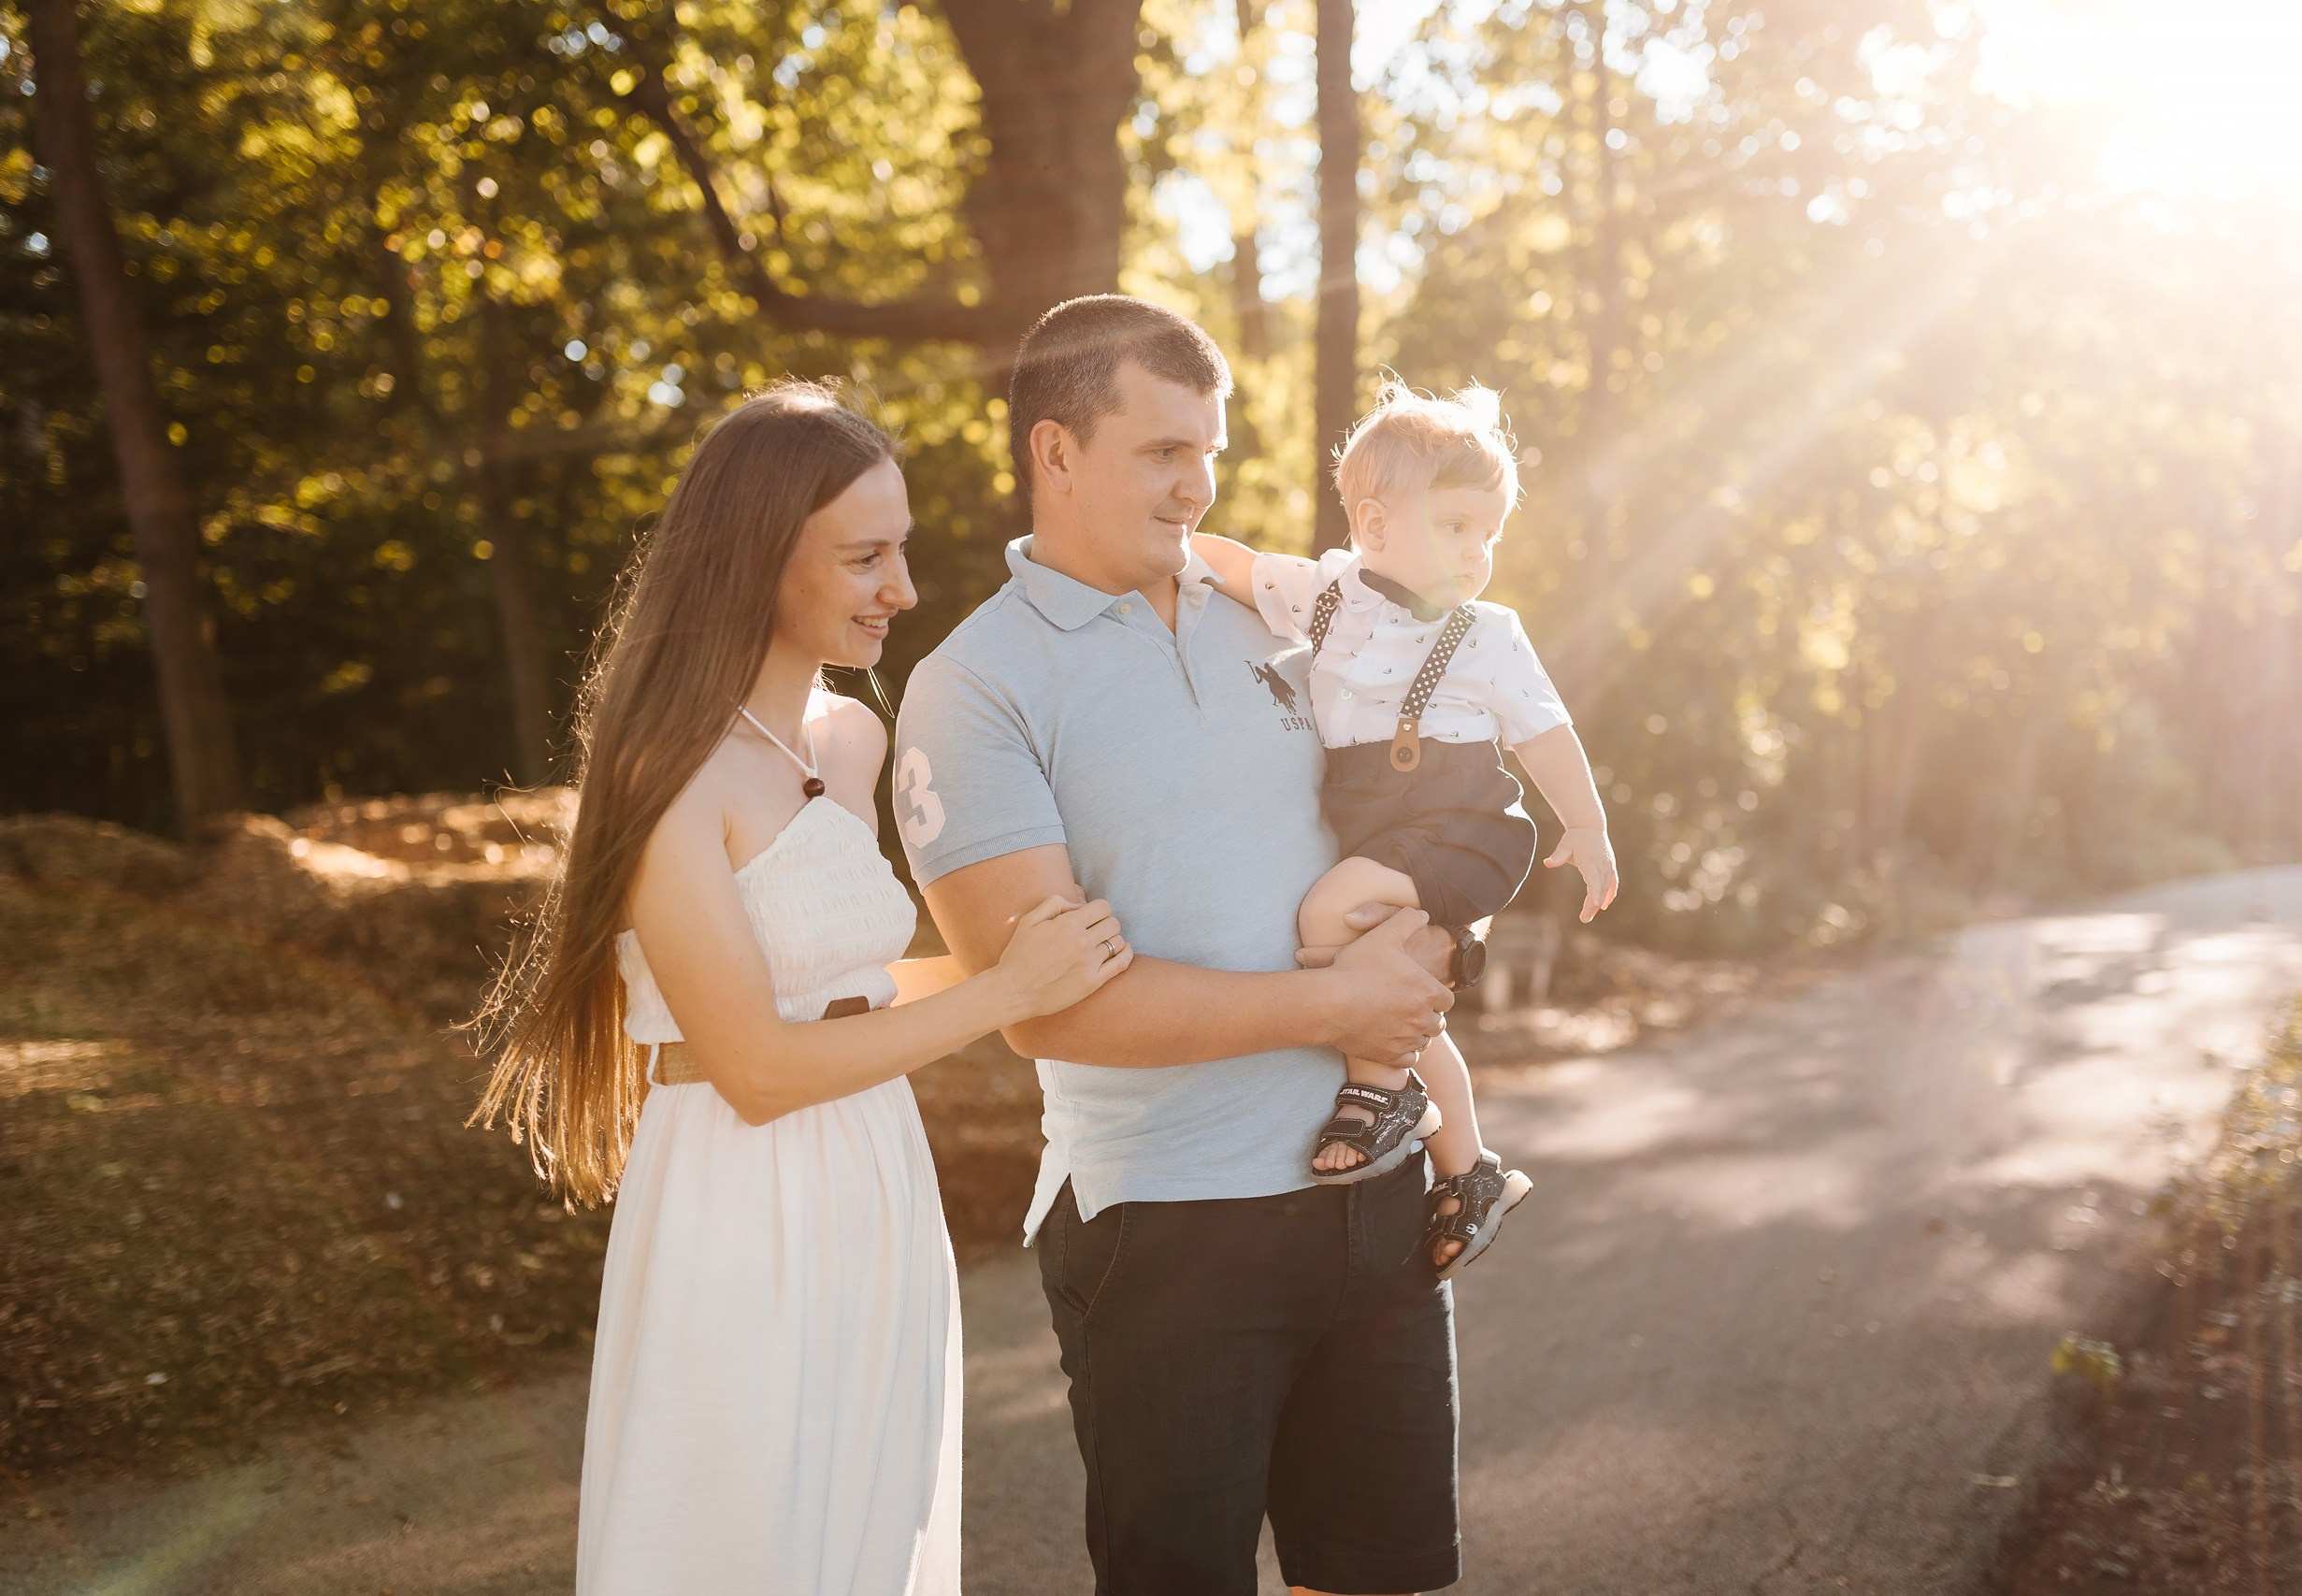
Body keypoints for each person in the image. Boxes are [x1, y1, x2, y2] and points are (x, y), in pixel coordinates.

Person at [470, 382, 1130, 1595]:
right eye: (866, 556)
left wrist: (1039, 954)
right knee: (746, 1535)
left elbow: (852, 990)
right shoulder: (671, 774)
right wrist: (999, 995)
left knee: (868, 1528)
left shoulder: (851, 740)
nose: (904, 588)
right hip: (737, 1190)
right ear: (757, 559)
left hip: (877, 1170)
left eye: (905, 550)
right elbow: (759, 1067)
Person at [894, 296, 1463, 1596]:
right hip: (1168, 1225)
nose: (1198, 484)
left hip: (1372, 1188)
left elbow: (1434, 782)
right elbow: (1049, 1008)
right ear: (1057, 450)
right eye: (1162, 451)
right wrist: (1334, 1008)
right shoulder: (973, 688)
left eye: (1210, 449)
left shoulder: (1280, 615)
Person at [1193, 378, 1619, 1275]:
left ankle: (1377, 1091)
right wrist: (1166, 547)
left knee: (1328, 913)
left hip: (1460, 824)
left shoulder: (1488, 632)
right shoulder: (1329, 594)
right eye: (1457, 525)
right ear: (1376, 525)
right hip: (1382, 826)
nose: (1479, 551)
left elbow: (1546, 734)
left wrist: (1586, 825)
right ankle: (1470, 1168)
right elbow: (1235, 565)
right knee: (1396, 994)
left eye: (1490, 533)